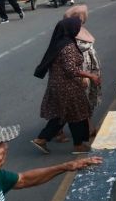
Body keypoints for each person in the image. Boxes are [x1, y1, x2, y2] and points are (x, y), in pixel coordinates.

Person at [31, 17, 100, 154]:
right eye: (77, 27)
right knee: (78, 115)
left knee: (64, 114)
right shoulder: (68, 46)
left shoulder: (61, 43)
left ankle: (42, 139)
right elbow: (70, 69)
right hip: (68, 87)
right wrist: (90, 75)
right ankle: (78, 146)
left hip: (59, 85)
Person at [64, 5, 102, 140]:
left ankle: (57, 131)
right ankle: (88, 129)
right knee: (82, 102)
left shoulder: (79, 31)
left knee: (85, 102)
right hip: (82, 73)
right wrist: (84, 76)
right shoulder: (72, 37)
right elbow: (74, 62)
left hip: (89, 71)